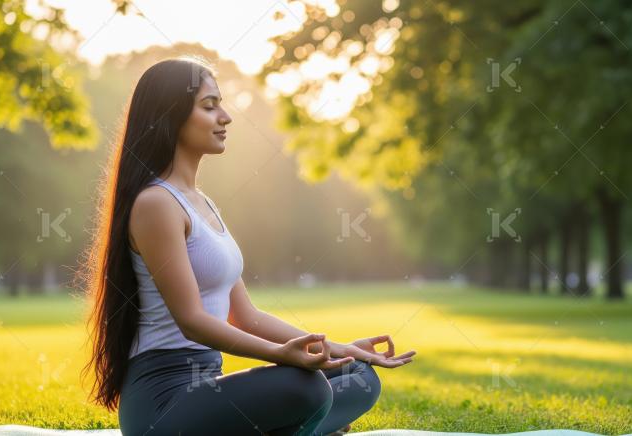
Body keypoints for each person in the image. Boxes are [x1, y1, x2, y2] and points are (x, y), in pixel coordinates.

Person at [80, 56, 416, 436]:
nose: (226, 117)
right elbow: (192, 321)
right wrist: (279, 356)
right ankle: (304, 425)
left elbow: (246, 316)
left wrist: (339, 349)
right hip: (164, 404)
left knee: (359, 377)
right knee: (306, 388)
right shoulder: (156, 204)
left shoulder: (203, 204)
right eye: (210, 106)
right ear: (170, 116)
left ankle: (294, 426)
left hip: (206, 389)